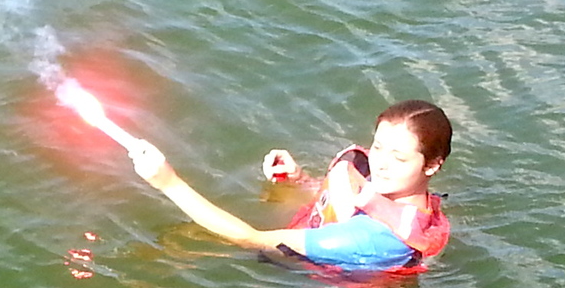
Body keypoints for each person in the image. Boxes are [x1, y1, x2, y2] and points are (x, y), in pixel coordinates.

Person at [126, 100, 453, 272]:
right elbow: (345, 206)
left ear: (432, 165)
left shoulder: (376, 238)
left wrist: (168, 182)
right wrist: (300, 181)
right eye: (378, 147)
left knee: (163, 257)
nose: (380, 163)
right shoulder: (389, 188)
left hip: (307, 287)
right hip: (321, 240)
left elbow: (249, 239)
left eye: (398, 157)